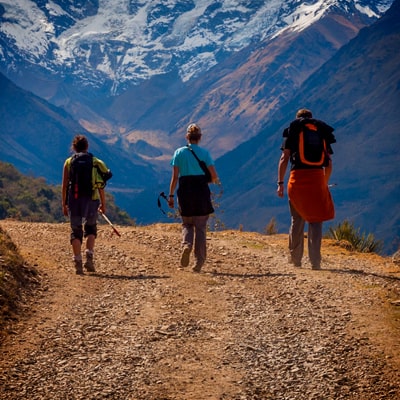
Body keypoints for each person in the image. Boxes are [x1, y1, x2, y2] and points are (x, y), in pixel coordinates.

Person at [277, 109, 336, 270]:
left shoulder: (293, 130)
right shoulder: (321, 131)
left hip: (297, 180)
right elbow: (329, 163)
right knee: (316, 221)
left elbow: (284, 159)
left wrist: (280, 182)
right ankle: (315, 262)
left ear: (298, 118)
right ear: (311, 118)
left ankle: (295, 259)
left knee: (297, 219)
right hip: (317, 178)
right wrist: (324, 182)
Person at [168, 123, 219, 273]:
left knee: (187, 224)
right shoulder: (205, 153)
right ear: (200, 137)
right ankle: (199, 262)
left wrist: (171, 195)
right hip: (201, 191)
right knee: (201, 227)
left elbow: (175, 177)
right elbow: (214, 176)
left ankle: (186, 245)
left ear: (187, 137)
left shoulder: (178, 153)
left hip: (185, 191)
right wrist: (206, 180)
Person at [62, 135, 112, 275]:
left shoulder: (68, 162)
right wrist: (103, 203)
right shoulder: (95, 162)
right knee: (91, 229)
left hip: (74, 200)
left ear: (74, 147)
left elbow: (65, 185)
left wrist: (64, 203)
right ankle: (89, 258)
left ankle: (77, 263)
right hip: (92, 199)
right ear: (87, 146)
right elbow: (101, 185)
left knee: (76, 231)